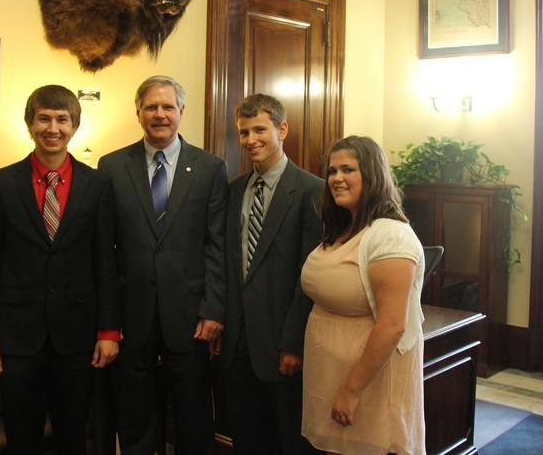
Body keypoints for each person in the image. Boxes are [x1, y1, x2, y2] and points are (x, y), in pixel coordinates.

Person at [0, 84, 120, 455]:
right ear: (30, 124)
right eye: (44, 119)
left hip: (77, 337)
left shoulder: (98, 185)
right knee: (22, 437)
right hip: (17, 339)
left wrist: (108, 330)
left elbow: (106, 263)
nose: (52, 128)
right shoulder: (0, 184)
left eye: (62, 120)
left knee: (72, 436)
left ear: (74, 126)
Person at [98, 75, 228, 454]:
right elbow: (105, 251)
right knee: (135, 414)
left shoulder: (209, 168)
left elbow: (216, 244)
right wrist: (108, 319)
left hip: (189, 316)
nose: (159, 115)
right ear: (137, 112)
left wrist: (213, 308)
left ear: (181, 112)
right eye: (151, 107)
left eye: (167, 107)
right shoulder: (110, 167)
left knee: (192, 415)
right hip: (131, 313)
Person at [300, 136, 426, 455]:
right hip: (334, 375)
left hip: (369, 384)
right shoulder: (346, 226)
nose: (336, 178)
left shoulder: (390, 235)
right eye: (332, 171)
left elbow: (392, 325)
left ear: (372, 175)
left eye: (348, 170)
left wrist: (351, 390)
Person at [221, 94, 323, 455]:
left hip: (283, 346)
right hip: (237, 345)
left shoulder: (312, 191)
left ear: (282, 129)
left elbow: (308, 277)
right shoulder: (233, 191)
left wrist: (292, 342)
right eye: (243, 132)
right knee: (247, 439)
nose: (250, 140)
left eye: (259, 129)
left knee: (290, 443)